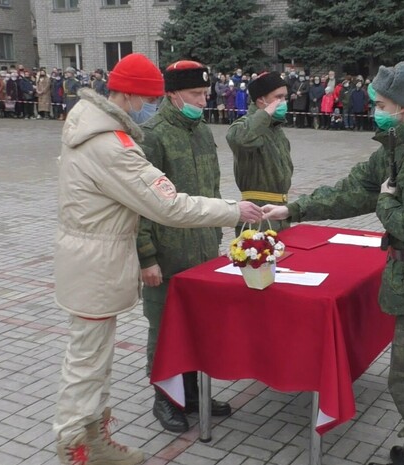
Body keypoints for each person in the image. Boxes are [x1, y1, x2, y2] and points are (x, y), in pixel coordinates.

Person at [53, 53, 263, 465]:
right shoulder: (111, 146)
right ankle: (78, 448)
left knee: (91, 361)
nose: (147, 107)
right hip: (99, 268)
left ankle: (90, 440)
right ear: (132, 95)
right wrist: (234, 211)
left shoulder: (91, 128)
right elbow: (167, 206)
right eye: (148, 98)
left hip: (94, 262)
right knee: (87, 364)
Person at [263, 61, 404, 465]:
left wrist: (385, 202)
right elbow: (352, 190)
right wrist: (293, 210)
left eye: (381, 103)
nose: (373, 109)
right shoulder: (398, 146)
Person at [135, 60, 234, 433]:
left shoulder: (202, 130)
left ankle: (193, 394)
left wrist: (217, 230)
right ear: (172, 93)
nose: (203, 100)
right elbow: (139, 203)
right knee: (164, 329)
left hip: (202, 250)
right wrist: (146, 257)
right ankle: (166, 399)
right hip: (167, 254)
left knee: (198, 326)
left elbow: (212, 187)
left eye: (205, 93)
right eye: (195, 94)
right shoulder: (152, 135)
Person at [227, 72, 294, 233]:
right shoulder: (244, 125)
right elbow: (240, 139)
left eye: (285, 97)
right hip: (257, 215)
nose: (283, 102)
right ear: (261, 101)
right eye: (278, 97)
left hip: (279, 211)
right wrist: (264, 114)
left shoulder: (275, 129)